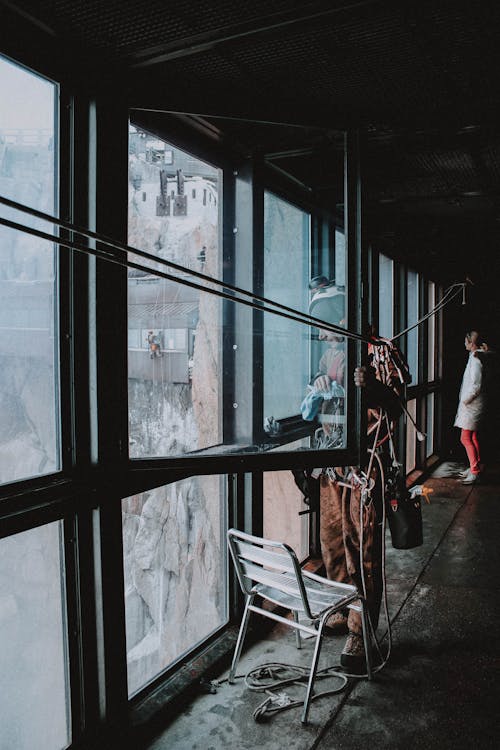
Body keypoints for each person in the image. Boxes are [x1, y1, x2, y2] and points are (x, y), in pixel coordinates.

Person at [303, 278, 409, 671]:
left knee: (362, 549)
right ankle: (341, 607)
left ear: (343, 316)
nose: (321, 332)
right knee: (330, 544)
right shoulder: (327, 353)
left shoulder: (380, 351)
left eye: (325, 323)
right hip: (332, 467)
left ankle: (360, 630)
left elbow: (400, 401)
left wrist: (376, 389)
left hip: (366, 468)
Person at [454, 330, 486, 484]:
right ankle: (476, 465)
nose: (464, 344)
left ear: (471, 343)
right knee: (472, 436)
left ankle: (474, 471)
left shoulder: (476, 360)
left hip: (472, 405)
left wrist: (465, 400)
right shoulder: (475, 357)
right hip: (473, 405)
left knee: (465, 437)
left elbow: (475, 386)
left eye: (466, 341)